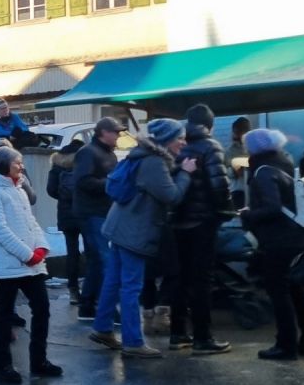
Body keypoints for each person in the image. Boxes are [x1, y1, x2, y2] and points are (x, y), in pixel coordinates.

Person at [90, 119, 194, 359]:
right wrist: (186, 174)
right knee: (131, 286)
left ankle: (103, 328)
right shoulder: (154, 162)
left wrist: (177, 170)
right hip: (134, 232)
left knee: (114, 281)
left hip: (119, 226)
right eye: (180, 137)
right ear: (167, 139)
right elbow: (171, 195)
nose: (184, 142)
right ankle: (133, 342)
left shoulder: (141, 156)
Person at [0, 144, 60, 385]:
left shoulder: (20, 189)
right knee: (4, 317)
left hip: (31, 265)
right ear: (5, 165)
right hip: (8, 266)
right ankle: (3, 366)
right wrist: (27, 254)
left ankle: (39, 360)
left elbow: (31, 223)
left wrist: (41, 246)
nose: (21, 166)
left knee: (42, 310)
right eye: (17, 162)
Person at [239, 128, 304, 362]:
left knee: (279, 291)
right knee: (295, 290)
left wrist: (248, 214)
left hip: (278, 240)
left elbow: (272, 208)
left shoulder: (263, 172)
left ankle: (286, 345)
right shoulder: (284, 164)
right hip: (297, 235)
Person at [169, 105, 233, 355]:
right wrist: (225, 211)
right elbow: (220, 186)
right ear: (210, 124)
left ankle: (177, 333)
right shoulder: (210, 146)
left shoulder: (178, 145)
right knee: (202, 280)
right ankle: (203, 337)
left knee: (180, 279)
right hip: (203, 222)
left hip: (178, 222)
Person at [72, 117, 122, 321]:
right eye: (116, 132)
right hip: (91, 213)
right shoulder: (87, 152)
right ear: (103, 133)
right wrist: (110, 183)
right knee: (105, 259)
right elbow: (83, 181)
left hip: (102, 212)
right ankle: (107, 308)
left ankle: (88, 306)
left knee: (96, 260)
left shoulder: (108, 153)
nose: (119, 135)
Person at [47, 134, 84, 303]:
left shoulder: (57, 166)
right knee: (91, 251)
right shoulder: (83, 163)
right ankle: (91, 289)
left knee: (72, 252)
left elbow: (50, 190)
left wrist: (63, 198)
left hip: (65, 214)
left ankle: (73, 290)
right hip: (84, 212)